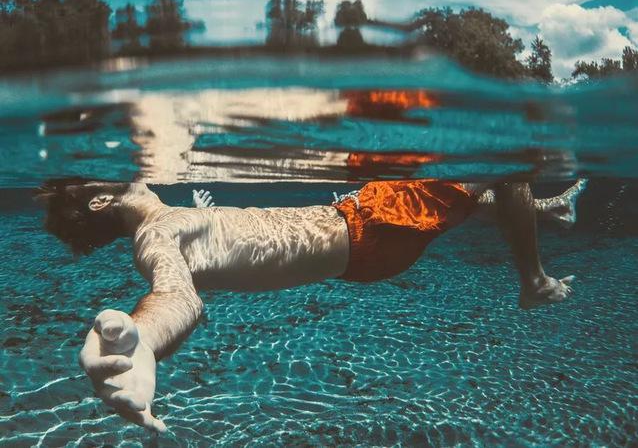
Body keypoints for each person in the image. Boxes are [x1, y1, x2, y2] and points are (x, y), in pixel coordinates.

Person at [36, 177, 585, 432]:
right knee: (507, 169)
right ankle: (534, 281)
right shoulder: (157, 233)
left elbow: (180, 290)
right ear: (100, 199)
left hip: (361, 246)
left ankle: (545, 210)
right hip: (365, 228)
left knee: (473, 191)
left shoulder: (166, 222)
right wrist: (144, 343)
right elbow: (176, 294)